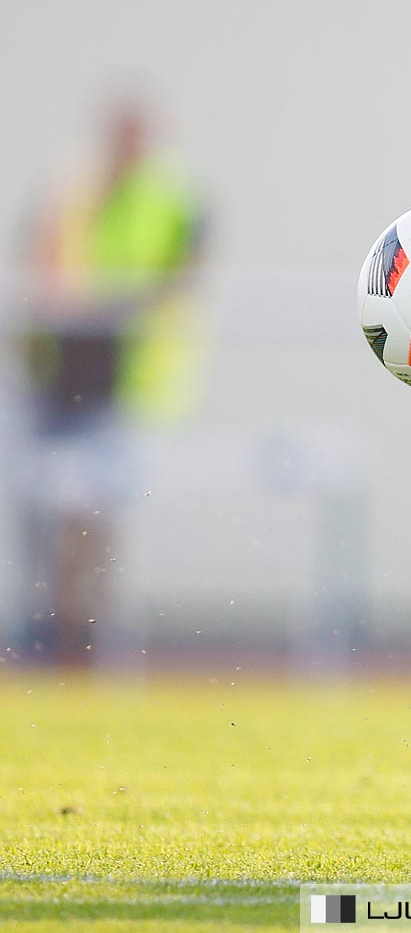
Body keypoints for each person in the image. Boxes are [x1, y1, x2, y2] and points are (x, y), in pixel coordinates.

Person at [12, 99, 204, 667]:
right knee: (43, 503)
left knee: (95, 507)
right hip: (55, 372)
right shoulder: (71, 186)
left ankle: (85, 627)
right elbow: (38, 262)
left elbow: (181, 277)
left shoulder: (173, 196)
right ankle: (51, 621)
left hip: (122, 378)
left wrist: (109, 305)